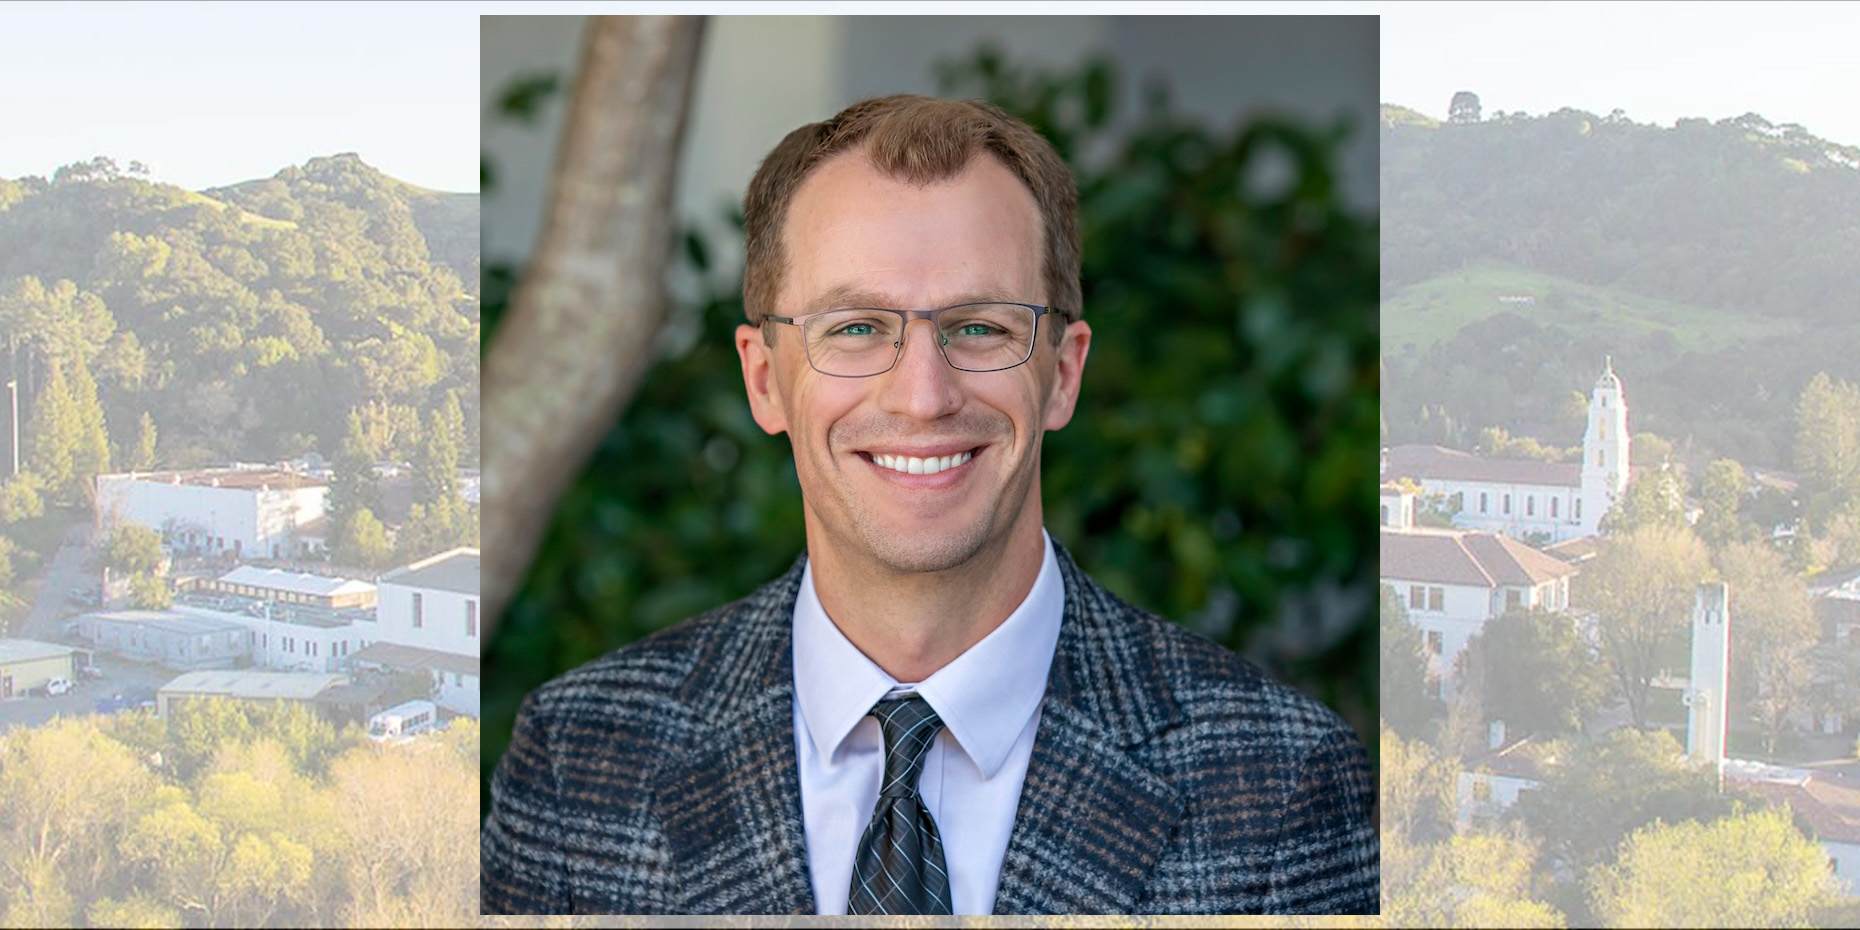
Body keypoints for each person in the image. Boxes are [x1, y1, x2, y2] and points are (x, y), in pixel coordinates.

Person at [481, 94, 1377, 916]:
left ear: (1062, 373)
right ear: (764, 380)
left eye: (979, 327)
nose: (921, 395)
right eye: (856, 327)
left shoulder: (1286, 782)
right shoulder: (581, 760)